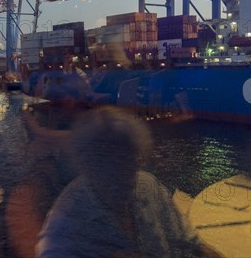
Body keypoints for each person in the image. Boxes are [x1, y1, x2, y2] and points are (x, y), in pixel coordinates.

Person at [36, 106, 222, 258]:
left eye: (128, 163)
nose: (122, 176)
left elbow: (189, 240)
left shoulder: (149, 186)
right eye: (109, 167)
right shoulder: (65, 221)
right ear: (86, 166)